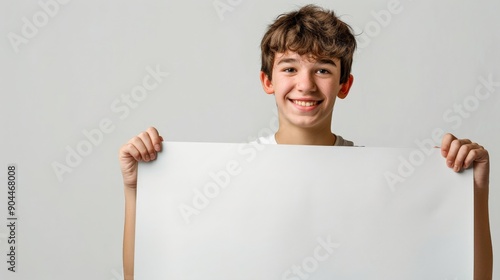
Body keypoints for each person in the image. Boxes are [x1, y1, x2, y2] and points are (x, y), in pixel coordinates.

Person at [119, 5, 492, 279]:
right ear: (268, 81)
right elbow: (146, 273)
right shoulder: (227, 178)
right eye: (290, 68)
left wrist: (472, 194)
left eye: (323, 70)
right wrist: (138, 191)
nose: (306, 84)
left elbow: (467, 275)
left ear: (344, 85)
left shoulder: (382, 182)